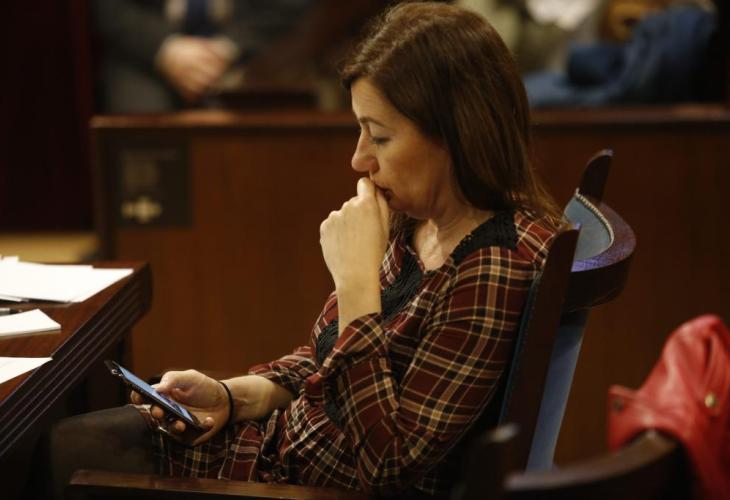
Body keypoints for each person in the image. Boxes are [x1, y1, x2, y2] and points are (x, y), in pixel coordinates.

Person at [45, 2, 560, 498]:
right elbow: (322, 362)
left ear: (454, 135)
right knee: (64, 438)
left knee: (61, 449)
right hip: (276, 446)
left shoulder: (491, 265)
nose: (359, 159)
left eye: (379, 137)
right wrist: (235, 395)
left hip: (289, 482)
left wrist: (356, 284)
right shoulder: (418, 219)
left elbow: (387, 465)